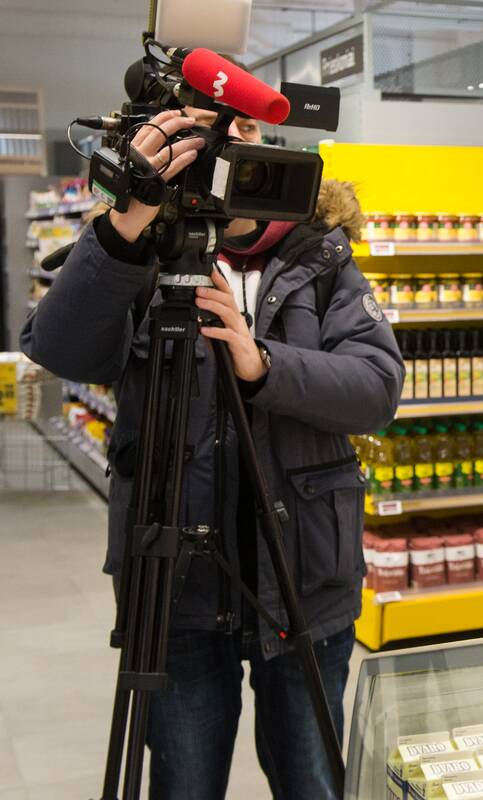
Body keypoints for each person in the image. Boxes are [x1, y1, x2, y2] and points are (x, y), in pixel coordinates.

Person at [21, 107, 404, 799]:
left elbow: (376, 389)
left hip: (305, 574)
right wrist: (123, 228)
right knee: (185, 782)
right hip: (175, 586)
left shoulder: (321, 253)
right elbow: (58, 349)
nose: (228, 142)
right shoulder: (139, 248)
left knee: (312, 779)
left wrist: (264, 365)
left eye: (243, 125)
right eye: (202, 126)